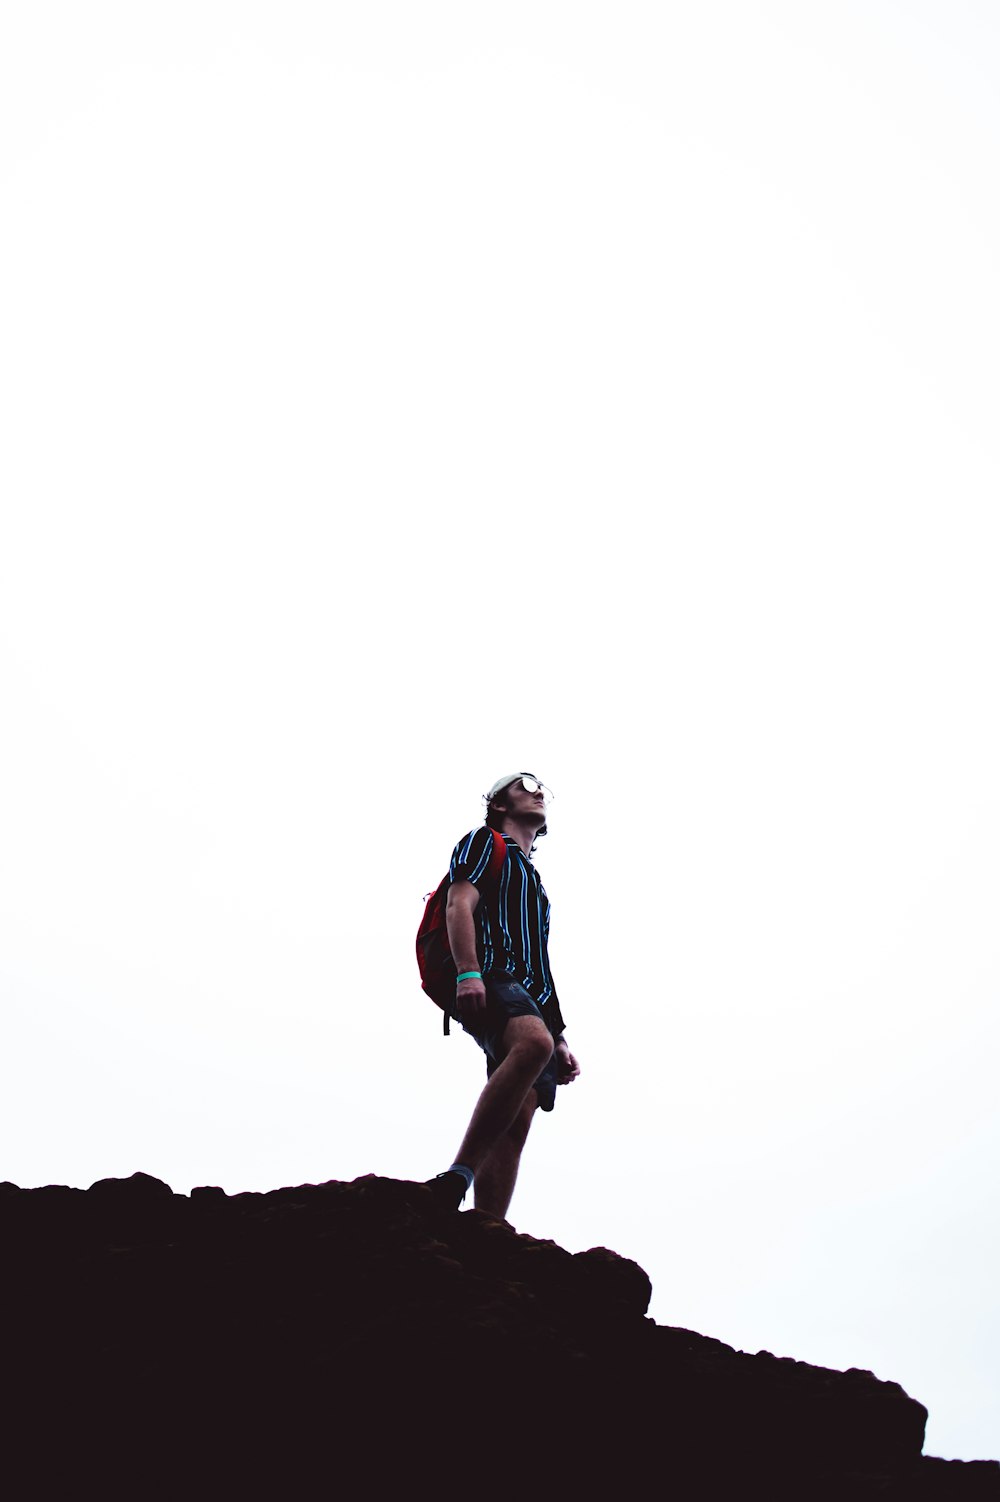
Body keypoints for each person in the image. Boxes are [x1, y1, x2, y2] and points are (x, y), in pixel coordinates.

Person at [427, 772, 580, 1219]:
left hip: (531, 995)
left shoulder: (535, 883)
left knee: (515, 1123)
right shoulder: (484, 843)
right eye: (524, 784)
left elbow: (542, 964)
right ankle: (456, 1176)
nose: (537, 791)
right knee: (532, 1044)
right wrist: (468, 972)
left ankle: (487, 1227)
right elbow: (460, 904)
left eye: (541, 788)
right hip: (490, 971)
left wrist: (561, 1035)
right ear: (498, 804)